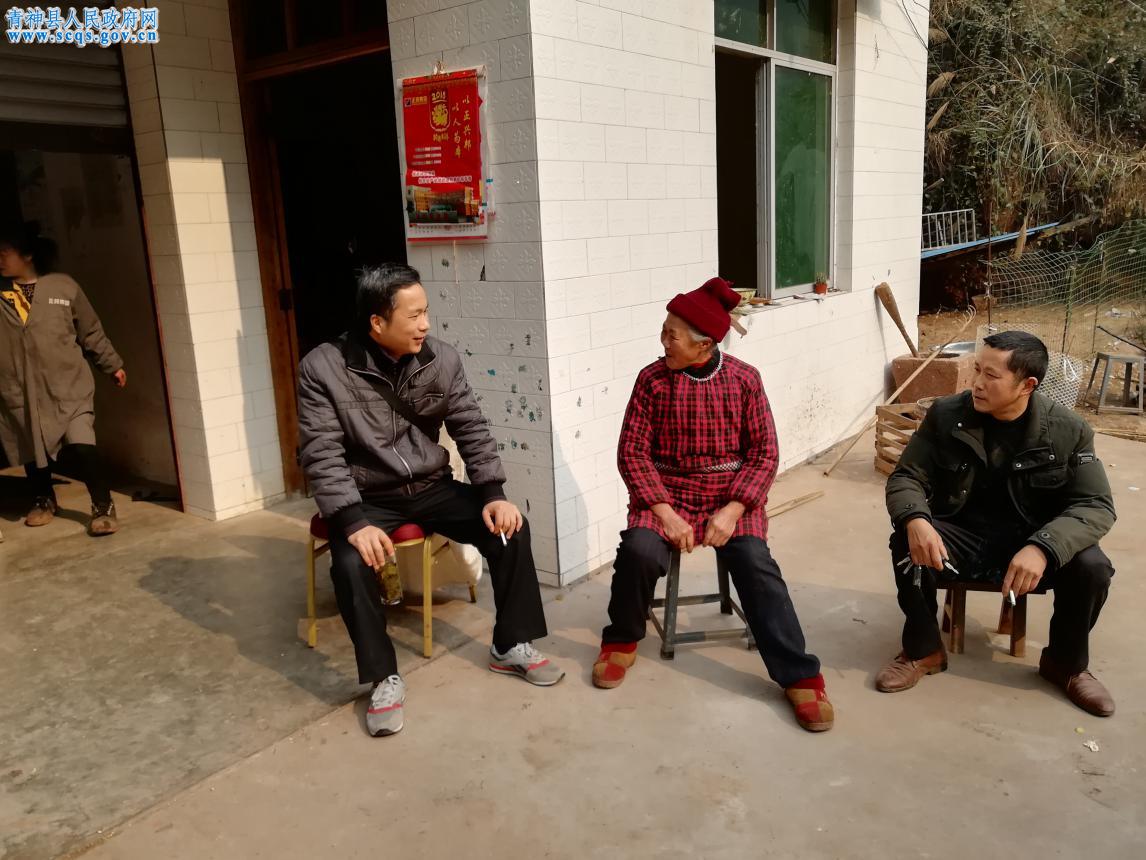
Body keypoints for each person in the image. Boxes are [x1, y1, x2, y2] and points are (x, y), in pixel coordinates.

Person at [297, 263, 564, 738]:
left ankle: (509, 645)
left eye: (426, 312)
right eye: (414, 315)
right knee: (350, 565)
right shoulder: (323, 368)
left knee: (510, 532)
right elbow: (321, 452)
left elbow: (470, 426)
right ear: (377, 322)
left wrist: (493, 492)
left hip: (431, 486)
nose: (425, 324)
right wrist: (353, 521)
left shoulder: (441, 359)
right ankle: (383, 678)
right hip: (367, 498)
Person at [592, 277, 834, 733]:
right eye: (664, 332)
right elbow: (632, 453)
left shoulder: (745, 380)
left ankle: (800, 675)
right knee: (638, 552)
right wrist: (665, 512)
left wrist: (733, 509)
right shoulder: (651, 381)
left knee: (756, 563)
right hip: (666, 494)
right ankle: (621, 639)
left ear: (703, 345)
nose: (663, 342)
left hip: (729, 497)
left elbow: (765, 454)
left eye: (672, 336)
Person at [878, 331, 1117, 716]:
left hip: (1030, 540)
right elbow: (907, 476)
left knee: (1093, 567)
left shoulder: (1068, 430)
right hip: (963, 536)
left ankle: (1066, 664)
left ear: (1027, 385)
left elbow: (1095, 505)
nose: (976, 383)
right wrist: (916, 519)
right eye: (977, 370)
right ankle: (923, 650)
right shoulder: (947, 415)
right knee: (908, 542)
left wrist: (1044, 547)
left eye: (991, 375)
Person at [0, 223, 125, 536]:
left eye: (4, 253)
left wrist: (111, 364)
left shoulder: (63, 287)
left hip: (69, 385)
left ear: (28, 255)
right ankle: (44, 500)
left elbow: (90, 331)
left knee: (82, 443)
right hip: (21, 389)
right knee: (32, 445)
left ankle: (103, 504)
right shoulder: (2, 293)